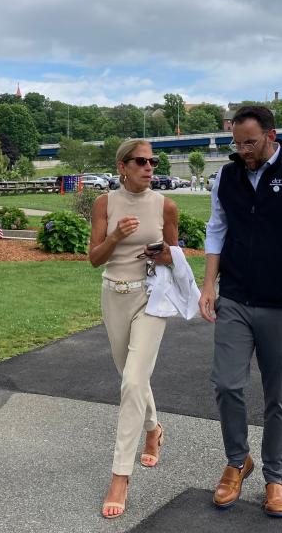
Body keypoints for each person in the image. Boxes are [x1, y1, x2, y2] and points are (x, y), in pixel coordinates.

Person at [199, 105, 282, 518]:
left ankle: (275, 477)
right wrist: (208, 285)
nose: (243, 151)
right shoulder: (227, 174)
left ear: (272, 135)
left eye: (250, 142)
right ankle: (238, 462)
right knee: (227, 384)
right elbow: (216, 228)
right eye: (236, 144)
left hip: (281, 302)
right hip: (235, 297)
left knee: (278, 395)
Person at [88, 139, 179, 519]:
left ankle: (120, 477)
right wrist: (116, 237)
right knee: (131, 376)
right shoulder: (104, 203)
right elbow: (94, 259)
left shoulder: (165, 205)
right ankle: (154, 428)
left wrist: (164, 253)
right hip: (114, 294)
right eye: (140, 161)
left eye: (153, 161)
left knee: (131, 383)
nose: (149, 167)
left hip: (151, 297)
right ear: (122, 166)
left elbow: (176, 257)